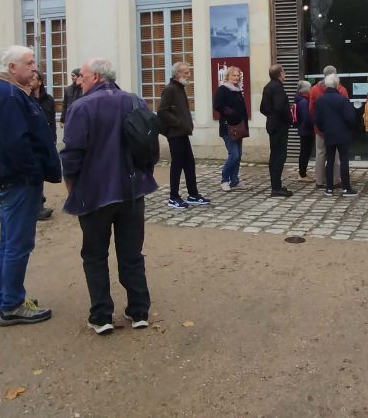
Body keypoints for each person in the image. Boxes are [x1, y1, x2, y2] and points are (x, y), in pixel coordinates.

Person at [61, 58, 156, 335]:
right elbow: (148, 143)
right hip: (131, 190)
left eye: (83, 75)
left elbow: (72, 155)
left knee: (94, 254)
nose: (79, 80)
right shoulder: (135, 100)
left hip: (95, 193)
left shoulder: (81, 107)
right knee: (131, 253)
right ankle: (139, 310)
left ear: (97, 77)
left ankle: (101, 315)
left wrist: (71, 188)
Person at [0, 45, 60, 326]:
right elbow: (18, 144)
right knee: (17, 244)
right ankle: (11, 305)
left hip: (10, 180)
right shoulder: (8, 95)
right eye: (29, 62)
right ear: (12, 68)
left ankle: (2, 301)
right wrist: (34, 173)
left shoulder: (4, 92)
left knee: (8, 242)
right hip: (18, 182)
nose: (34, 67)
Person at [158, 61, 210, 209]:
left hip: (183, 133)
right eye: (186, 72)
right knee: (177, 165)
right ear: (177, 74)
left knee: (189, 165)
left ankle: (193, 194)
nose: (189, 75)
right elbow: (162, 111)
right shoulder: (170, 89)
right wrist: (178, 122)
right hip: (175, 134)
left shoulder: (180, 88)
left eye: (189, 72)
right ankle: (173, 197)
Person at [314, 74, 358, 197]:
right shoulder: (342, 99)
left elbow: (317, 119)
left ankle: (329, 188)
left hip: (328, 133)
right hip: (342, 133)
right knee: (344, 160)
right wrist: (349, 128)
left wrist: (324, 129)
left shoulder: (320, 100)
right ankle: (346, 188)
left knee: (330, 159)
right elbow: (350, 118)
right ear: (337, 85)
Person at [309, 64, 349, 189]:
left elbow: (311, 109)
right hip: (337, 129)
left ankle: (319, 181)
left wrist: (317, 123)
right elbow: (346, 110)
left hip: (320, 128)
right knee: (335, 155)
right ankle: (335, 180)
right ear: (335, 74)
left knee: (320, 153)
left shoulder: (314, 89)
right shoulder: (341, 90)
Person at [213, 66, 248, 192]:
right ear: (228, 76)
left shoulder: (237, 89)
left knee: (238, 156)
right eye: (234, 75)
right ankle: (224, 179)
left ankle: (235, 180)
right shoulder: (223, 89)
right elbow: (217, 105)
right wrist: (230, 113)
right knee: (234, 154)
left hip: (239, 126)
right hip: (228, 126)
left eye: (238, 76)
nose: (237, 78)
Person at [260, 63, 292, 197]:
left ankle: (276, 185)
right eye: (284, 71)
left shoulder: (268, 86)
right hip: (279, 126)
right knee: (279, 156)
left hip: (272, 125)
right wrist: (288, 118)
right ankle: (276, 188)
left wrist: (271, 115)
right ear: (279, 74)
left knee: (274, 156)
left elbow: (263, 108)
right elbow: (280, 107)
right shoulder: (277, 87)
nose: (285, 73)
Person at [28, 68, 56, 220]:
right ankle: (37, 207)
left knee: (41, 173)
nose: (30, 81)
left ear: (39, 81)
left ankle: (39, 203)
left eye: (33, 79)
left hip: (46, 141)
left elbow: (51, 122)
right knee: (35, 174)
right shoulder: (26, 99)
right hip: (32, 143)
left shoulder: (49, 100)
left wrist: (52, 139)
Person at [294, 80, 314, 179]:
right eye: (310, 88)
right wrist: (313, 124)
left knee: (305, 152)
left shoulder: (302, 100)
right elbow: (306, 118)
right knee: (305, 152)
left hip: (304, 129)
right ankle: (302, 174)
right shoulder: (303, 101)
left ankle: (303, 173)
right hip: (306, 130)